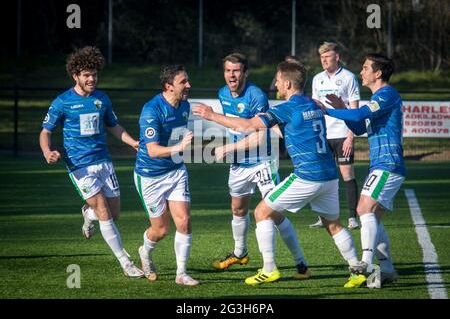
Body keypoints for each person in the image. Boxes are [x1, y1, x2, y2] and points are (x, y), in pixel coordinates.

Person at [193, 61, 359, 285]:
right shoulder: (313, 104)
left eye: (278, 80)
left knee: (261, 212)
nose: (276, 83)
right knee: (334, 225)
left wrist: (212, 116)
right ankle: (357, 270)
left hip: (307, 176)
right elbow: (289, 129)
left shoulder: (286, 108)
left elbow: (246, 125)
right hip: (329, 175)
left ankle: (269, 269)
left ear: (288, 83)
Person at [39, 46, 144, 278]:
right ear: (75, 75)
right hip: (80, 165)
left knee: (114, 214)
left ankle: (88, 214)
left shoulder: (101, 99)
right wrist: (48, 152)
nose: (91, 79)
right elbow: (45, 132)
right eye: (86, 75)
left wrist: (132, 142)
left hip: (104, 162)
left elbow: (113, 126)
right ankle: (126, 263)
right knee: (105, 212)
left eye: (94, 74)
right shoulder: (62, 102)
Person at [207, 53, 311, 281]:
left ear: (245, 73)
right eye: (227, 71)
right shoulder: (223, 94)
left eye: (236, 71)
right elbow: (234, 126)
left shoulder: (256, 96)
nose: (231, 75)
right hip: (238, 165)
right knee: (238, 209)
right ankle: (240, 252)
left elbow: (258, 139)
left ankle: (300, 262)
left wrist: (225, 149)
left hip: (261, 163)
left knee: (273, 213)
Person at [319, 53, 405, 288]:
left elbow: (359, 114)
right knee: (373, 219)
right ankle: (387, 270)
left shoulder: (387, 94)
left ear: (378, 73)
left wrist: (329, 111)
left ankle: (366, 262)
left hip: (388, 163)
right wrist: (341, 107)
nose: (361, 72)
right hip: (383, 164)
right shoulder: (379, 97)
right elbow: (357, 126)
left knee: (362, 208)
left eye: (366, 67)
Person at [134, 65, 199, 286]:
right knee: (161, 230)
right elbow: (152, 150)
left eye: (187, 80)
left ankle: (181, 273)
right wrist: (180, 146)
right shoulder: (151, 110)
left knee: (185, 221)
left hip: (176, 171)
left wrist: (180, 146)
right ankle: (145, 251)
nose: (188, 85)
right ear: (168, 86)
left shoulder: (185, 105)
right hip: (150, 175)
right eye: (183, 82)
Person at [309, 42, 361, 230]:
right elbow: (315, 106)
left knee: (347, 174)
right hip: (323, 134)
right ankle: (324, 217)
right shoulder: (317, 79)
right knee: (323, 175)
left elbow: (354, 111)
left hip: (342, 133)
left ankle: (352, 217)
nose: (323, 60)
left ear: (336, 57)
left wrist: (350, 136)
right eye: (321, 57)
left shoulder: (349, 77)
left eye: (327, 56)